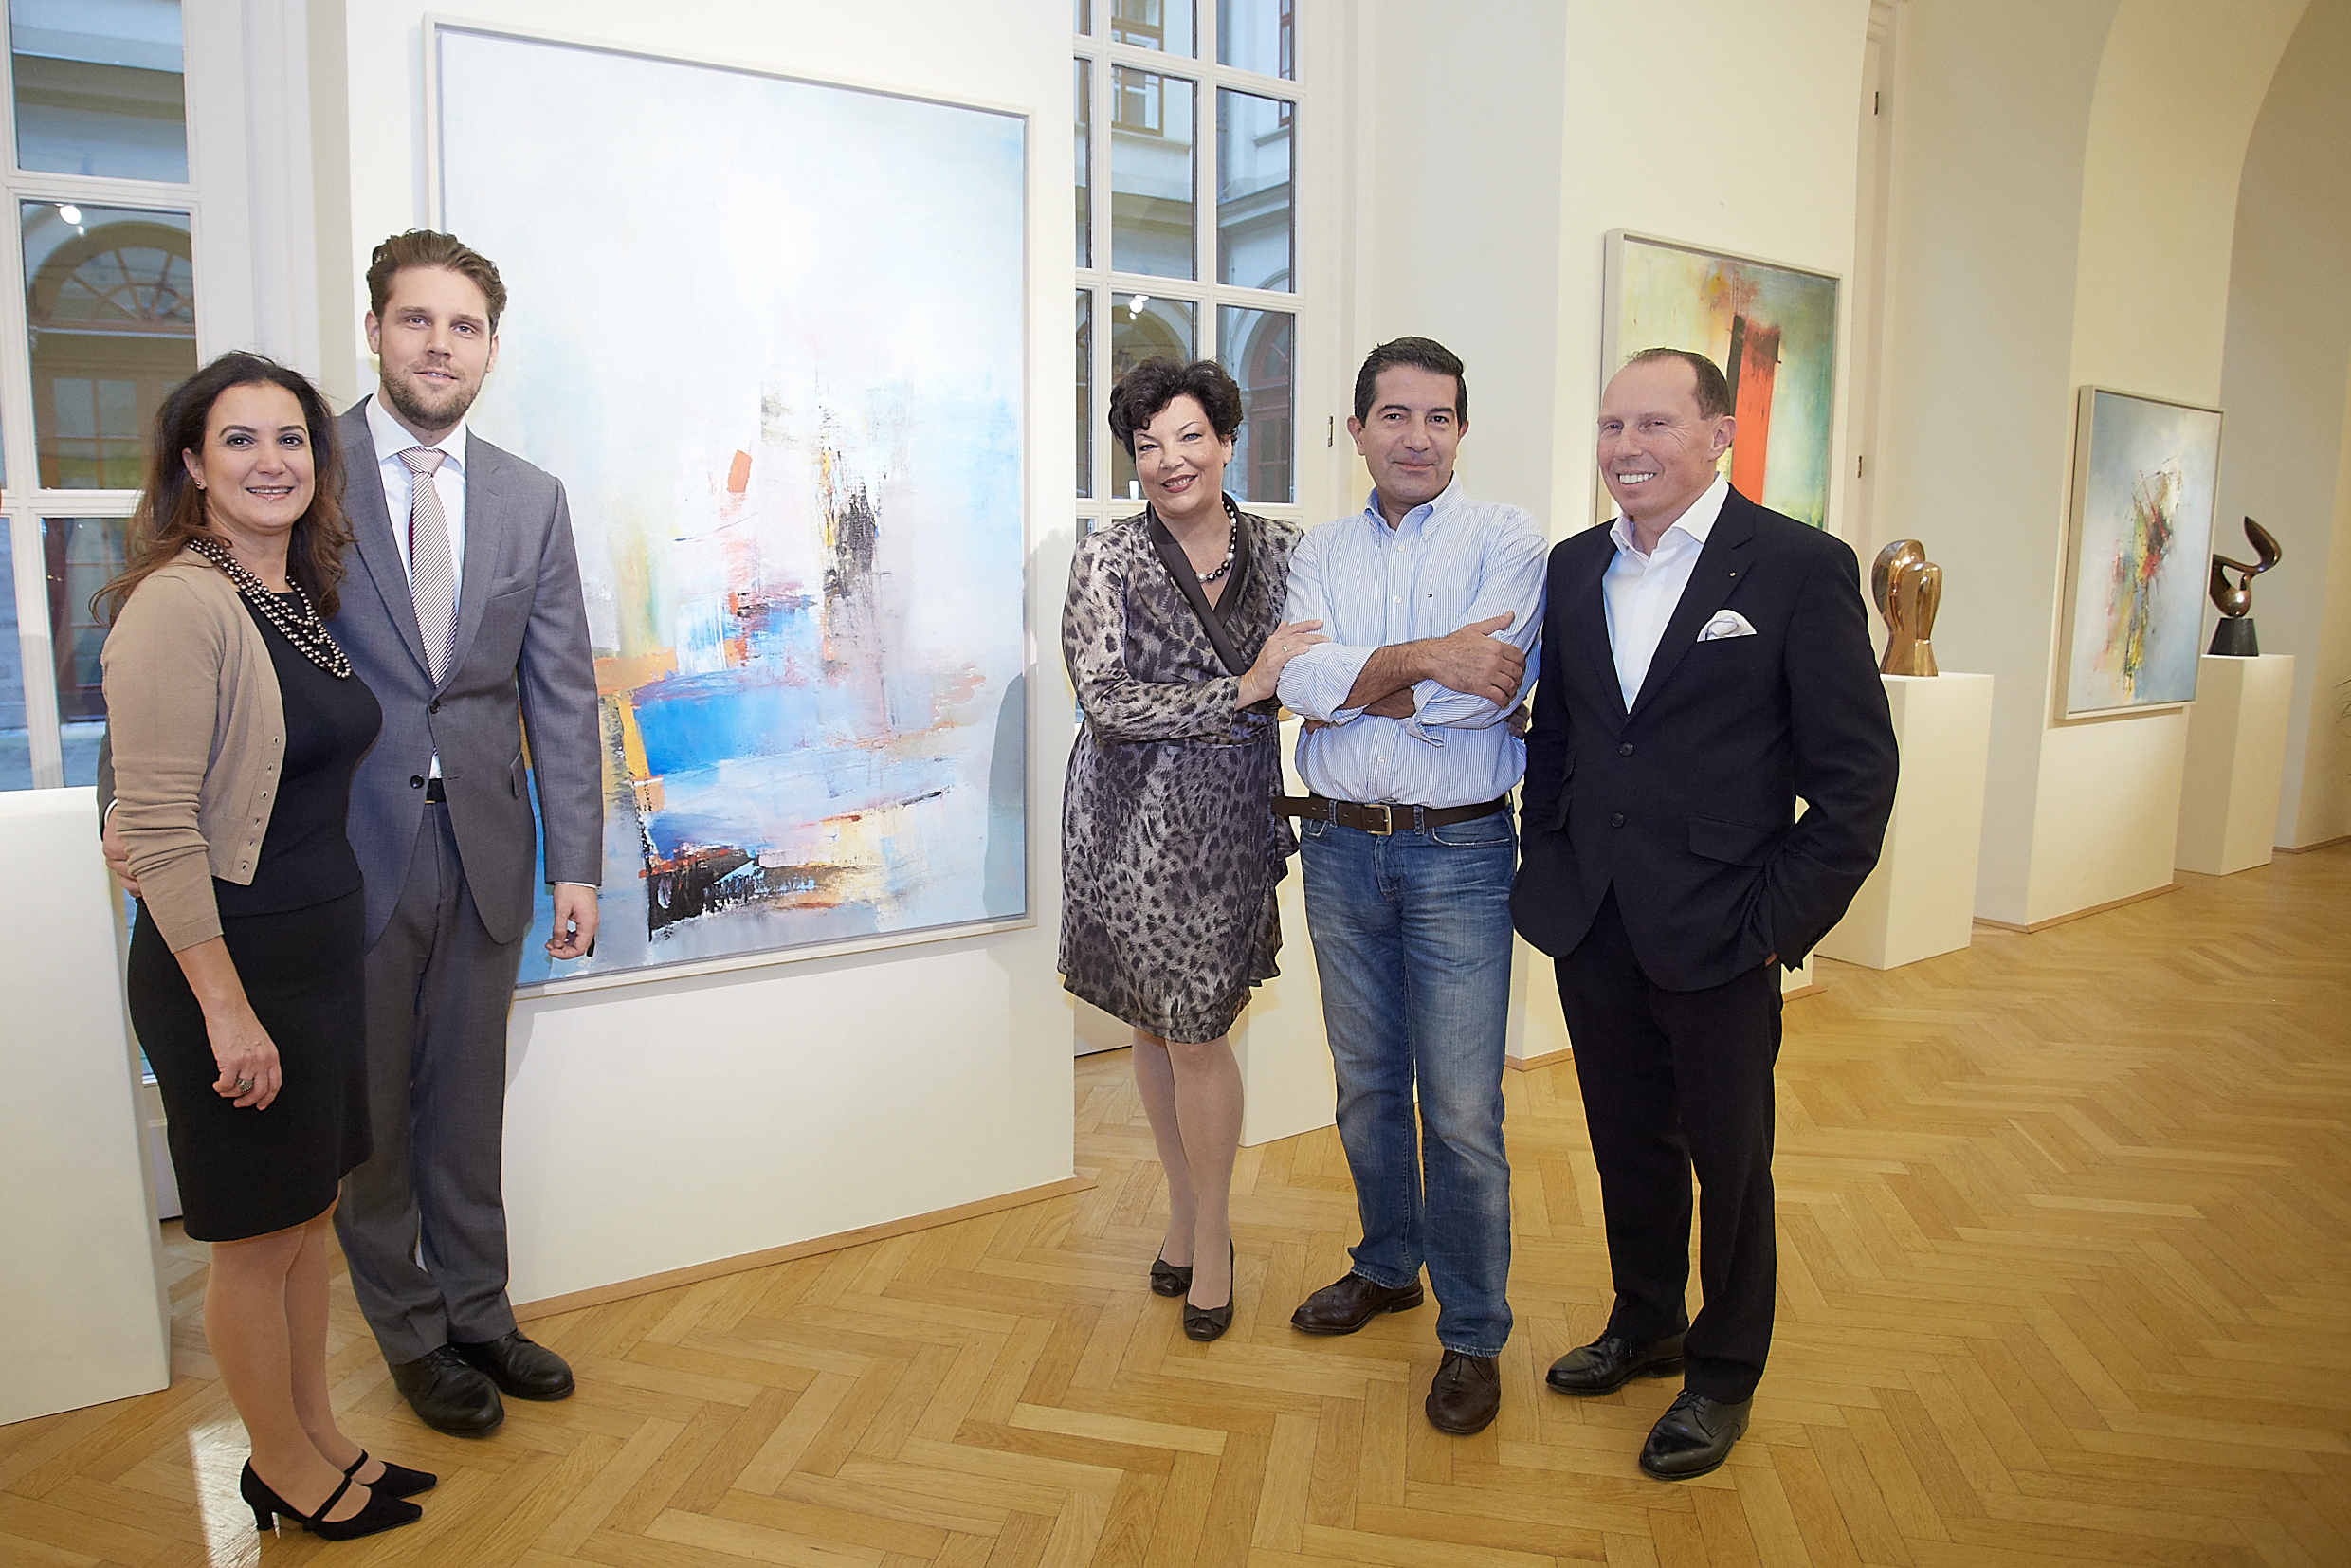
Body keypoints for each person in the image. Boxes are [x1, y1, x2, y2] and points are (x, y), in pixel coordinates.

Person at [106, 230, 604, 1436]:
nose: (439, 345)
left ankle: (480, 1311)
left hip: (486, 850)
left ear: (490, 348)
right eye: (415, 319)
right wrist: (133, 806)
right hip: (340, 855)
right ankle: (413, 1336)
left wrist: (577, 861)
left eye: (464, 326)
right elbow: (200, 630)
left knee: (466, 1107)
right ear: (375, 330)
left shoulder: (531, 497)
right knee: (366, 1127)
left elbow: (559, 690)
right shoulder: (296, 465)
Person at [1513, 348, 1898, 1480]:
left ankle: (1722, 1372)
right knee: (1624, 1141)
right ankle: (1646, 1321)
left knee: (1730, 1166)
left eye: (1653, 424)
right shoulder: (1573, 566)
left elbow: (1854, 782)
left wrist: (1774, 923)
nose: (1625, 447)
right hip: (1594, 918)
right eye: (1609, 426)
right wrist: (1551, 859)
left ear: (1717, 433)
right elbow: (1562, 738)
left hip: (1727, 926)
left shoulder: (1796, 567)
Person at [101, 352, 428, 1540]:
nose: (270, 461)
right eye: (238, 440)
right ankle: (279, 1465)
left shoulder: (292, 592)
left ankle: (318, 1437)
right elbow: (157, 823)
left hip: (314, 956)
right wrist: (226, 1011)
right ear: (192, 465)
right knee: (251, 1242)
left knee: (303, 1220)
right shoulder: (179, 602)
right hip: (227, 967)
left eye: (290, 438)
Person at [1275, 337, 1547, 1434]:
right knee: (1365, 1085)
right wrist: (1429, 658)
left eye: (1438, 416)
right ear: (1357, 431)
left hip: (1459, 853)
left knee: (1464, 1109)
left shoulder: (1508, 538)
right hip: (1338, 845)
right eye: (1394, 415)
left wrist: (1360, 677)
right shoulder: (1320, 551)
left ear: (1462, 429)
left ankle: (1472, 1331)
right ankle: (1387, 1264)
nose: (1417, 437)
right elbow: (1298, 678)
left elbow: (1488, 692)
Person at [1061, 357, 1321, 1342]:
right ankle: (1182, 1209)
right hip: (1124, 828)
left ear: (1225, 442)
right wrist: (1244, 688)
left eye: (1188, 437)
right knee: (1154, 1024)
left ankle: (1211, 1236)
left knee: (1200, 1032)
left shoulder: (1287, 552)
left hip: (1226, 828)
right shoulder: (1107, 559)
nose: (1170, 460)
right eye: (1147, 445)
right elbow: (1105, 702)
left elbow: (1321, 668)